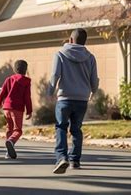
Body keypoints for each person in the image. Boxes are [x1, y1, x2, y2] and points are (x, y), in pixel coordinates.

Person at [47, 28, 99, 174]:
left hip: (64, 99)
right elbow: (94, 79)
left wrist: (50, 92)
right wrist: (93, 91)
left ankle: (62, 157)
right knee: (76, 129)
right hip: (82, 99)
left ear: (70, 40)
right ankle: (75, 161)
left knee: (61, 127)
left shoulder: (60, 54)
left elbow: (55, 75)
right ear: (84, 41)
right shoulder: (90, 57)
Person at [0, 60, 32, 160]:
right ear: (25, 70)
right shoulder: (27, 81)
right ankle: (11, 142)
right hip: (17, 109)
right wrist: (29, 111)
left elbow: (2, 92)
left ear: (15, 69)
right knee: (18, 130)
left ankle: (8, 151)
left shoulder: (9, 79)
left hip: (6, 107)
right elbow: (27, 97)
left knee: (9, 129)